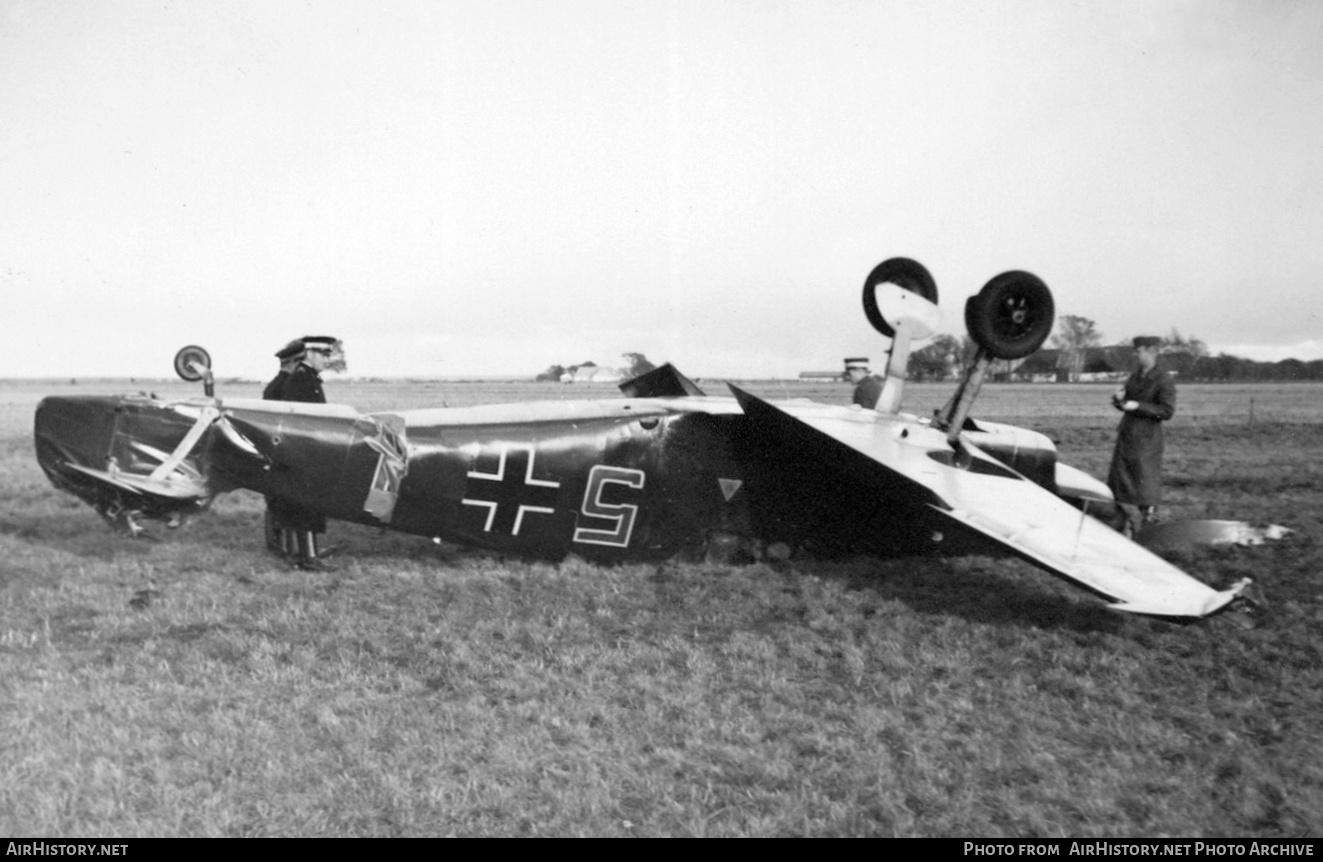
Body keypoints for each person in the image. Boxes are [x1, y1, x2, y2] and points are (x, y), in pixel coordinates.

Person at [273, 335, 342, 570]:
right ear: (310, 353)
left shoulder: (307, 378)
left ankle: (307, 555)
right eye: (323, 354)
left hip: (308, 451)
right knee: (305, 506)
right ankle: (307, 558)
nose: (327, 359)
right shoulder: (301, 380)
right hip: (304, 452)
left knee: (308, 506)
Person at [1107, 335, 1176, 536]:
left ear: (1152, 351)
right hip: (1127, 436)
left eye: (1139, 351)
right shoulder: (1136, 375)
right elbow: (1126, 402)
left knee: (1146, 491)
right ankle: (1121, 525)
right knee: (1120, 485)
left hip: (1146, 441)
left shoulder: (1164, 379)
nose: (1136, 354)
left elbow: (1166, 411)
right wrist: (1119, 400)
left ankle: (1153, 528)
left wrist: (1138, 406)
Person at [261, 339, 305, 555]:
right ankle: (284, 546)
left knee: (275, 500)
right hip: (282, 449)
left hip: (272, 449)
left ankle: (275, 543)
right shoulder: (287, 387)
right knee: (284, 500)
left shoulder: (272, 386)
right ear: (292, 363)